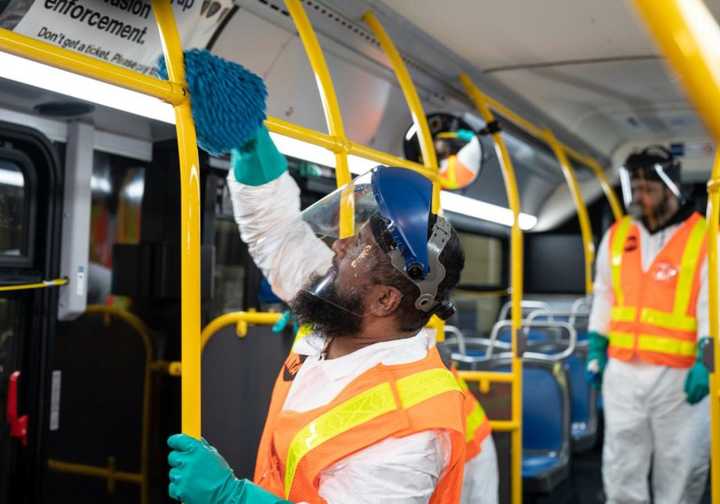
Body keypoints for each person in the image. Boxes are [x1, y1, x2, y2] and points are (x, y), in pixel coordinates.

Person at [167, 125, 471, 503]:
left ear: (384, 301)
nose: (340, 246)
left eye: (360, 247)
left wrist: (231, 498)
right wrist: (250, 143)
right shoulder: (345, 313)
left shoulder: (408, 432)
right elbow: (279, 239)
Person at [586, 145, 711, 503]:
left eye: (648, 189)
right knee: (621, 463)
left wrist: (709, 363)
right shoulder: (617, 234)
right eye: (634, 188)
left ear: (671, 188)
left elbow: (712, 308)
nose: (639, 196)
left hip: (680, 377)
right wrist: (596, 346)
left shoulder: (705, 238)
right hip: (623, 372)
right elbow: (605, 295)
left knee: (681, 465)